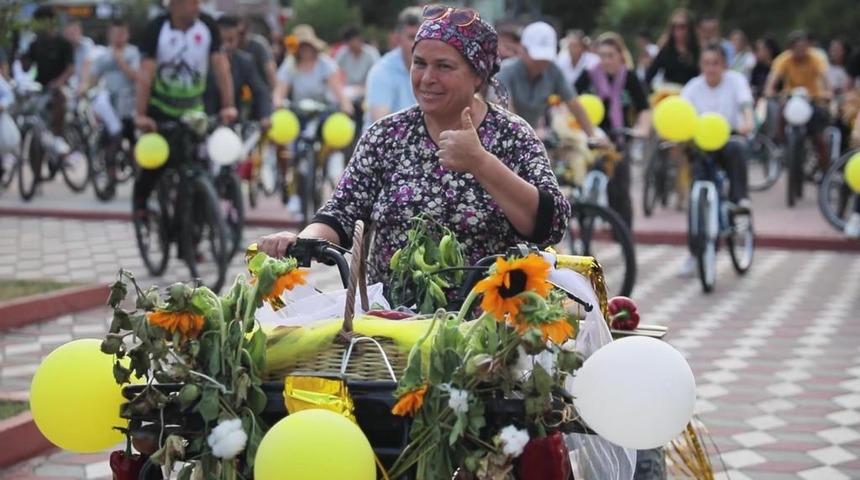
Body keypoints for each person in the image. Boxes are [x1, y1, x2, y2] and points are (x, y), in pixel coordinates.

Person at [257, 5, 571, 285]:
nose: (426, 78)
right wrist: (300, 241)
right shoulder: (387, 135)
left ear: (478, 76)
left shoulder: (512, 135)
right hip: (390, 329)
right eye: (419, 63)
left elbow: (550, 223)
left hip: (488, 321)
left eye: (444, 67)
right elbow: (342, 211)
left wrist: (481, 162)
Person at [133, 0, 236, 212]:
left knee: (202, 161)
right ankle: (141, 207)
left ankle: (199, 215)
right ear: (174, 5)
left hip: (194, 109)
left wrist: (228, 106)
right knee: (157, 163)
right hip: (161, 108)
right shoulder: (156, 28)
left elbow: (221, 68)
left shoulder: (207, 25)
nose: (197, 6)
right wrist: (141, 114)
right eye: (191, 2)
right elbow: (145, 74)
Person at [575, 33, 651, 228]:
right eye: (602, 55)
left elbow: (644, 108)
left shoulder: (630, 77)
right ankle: (583, 229)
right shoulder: (589, 75)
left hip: (619, 139)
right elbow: (571, 101)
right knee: (579, 184)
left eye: (611, 55)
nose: (606, 60)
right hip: (590, 137)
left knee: (620, 189)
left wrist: (641, 129)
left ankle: (624, 236)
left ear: (621, 56)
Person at [682, 43, 753, 207]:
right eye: (706, 63)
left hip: (729, 139)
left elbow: (745, 104)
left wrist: (748, 121)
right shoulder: (693, 86)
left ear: (724, 65)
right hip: (701, 143)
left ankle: (740, 202)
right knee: (697, 167)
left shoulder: (736, 81)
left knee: (737, 149)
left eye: (715, 63)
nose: (710, 68)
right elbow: (682, 110)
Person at [496, 21, 597, 137]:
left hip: (532, 137)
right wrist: (524, 135)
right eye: (537, 57)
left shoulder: (553, 71)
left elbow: (574, 104)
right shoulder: (506, 71)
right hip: (504, 134)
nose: (542, 62)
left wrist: (592, 136)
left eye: (545, 58)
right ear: (523, 49)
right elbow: (504, 108)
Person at [764, 30, 832, 172]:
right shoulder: (784, 59)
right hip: (791, 98)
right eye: (797, 47)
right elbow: (773, 78)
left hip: (813, 98)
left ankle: (825, 170)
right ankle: (781, 144)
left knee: (819, 137)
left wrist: (828, 92)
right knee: (781, 110)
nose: (801, 51)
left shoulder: (816, 58)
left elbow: (826, 76)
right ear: (791, 48)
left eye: (804, 47)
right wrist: (769, 90)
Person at [20, 6, 75, 154]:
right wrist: (22, 52)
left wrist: (58, 82)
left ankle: (58, 137)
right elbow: (26, 68)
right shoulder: (34, 43)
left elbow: (70, 69)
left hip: (60, 87)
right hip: (40, 88)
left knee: (59, 95)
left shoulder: (63, 43)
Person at [205, 15, 271, 126]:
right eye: (221, 40)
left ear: (238, 40)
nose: (226, 45)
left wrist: (265, 116)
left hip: (233, 124)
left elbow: (261, 91)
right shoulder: (202, 61)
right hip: (204, 122)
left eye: (231, 40)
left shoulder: (245, 62)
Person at [272, 25, 352, 114]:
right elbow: (279, 92)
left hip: (323, 110)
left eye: (307, 45)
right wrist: (278, 104)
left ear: (313, 46)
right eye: (301, 46)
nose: (305, 49)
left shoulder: (325, 63)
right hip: (297, 112)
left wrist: (346, 105)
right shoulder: (290, 64)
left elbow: (337, 89)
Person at [86, 19, 140, 147]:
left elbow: (137, 76)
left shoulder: (133, 53)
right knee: (109, 143)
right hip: (110, 103)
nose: (118, 37)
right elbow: (93, 78)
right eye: (115, 34)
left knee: (133, 142)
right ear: (109, 35)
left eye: (121, 34)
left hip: (129, 104)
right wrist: (83, 89)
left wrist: (121, 61)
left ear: (127, 35)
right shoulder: (103, 55)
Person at [364, 7, 422, 123]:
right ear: (398, 38)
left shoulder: (435, 70)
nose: (417, 44)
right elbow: (381, 124)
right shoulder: (382, 71)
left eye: (421, 37)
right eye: (411, 37)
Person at [646, 9, 700, 88]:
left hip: (691, 94)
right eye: (674, 26)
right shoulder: (666, 51)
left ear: (689, 28)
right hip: (671, 94)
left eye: (682, 26)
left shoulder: (697, 51)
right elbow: (649, 76)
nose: (678, 30)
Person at [238, 17, 277, 89]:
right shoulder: (231, 48)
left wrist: (274, 92)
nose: (240, 37)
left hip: (260, 89)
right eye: (238, 33)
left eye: (242, 33)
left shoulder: (259, 45)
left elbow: (269, 70)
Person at [63, 19, 96, 94]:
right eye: (70, 33)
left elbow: (87, 64)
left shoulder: (87, 43)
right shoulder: (62, 47)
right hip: (67, 85)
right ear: (65, 34)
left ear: (80, 32)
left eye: (75, 32)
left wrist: (83, 84)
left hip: (84, 83)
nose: (72, 35)